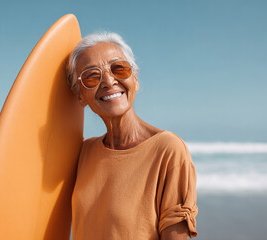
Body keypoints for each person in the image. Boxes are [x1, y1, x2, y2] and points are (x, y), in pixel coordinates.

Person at [66, 32, 198, 240]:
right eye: (92, 76)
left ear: (135, 79)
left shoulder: (168, 149)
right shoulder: (84, 152)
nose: (109, 81)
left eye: (119, 68)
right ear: (80, 96)